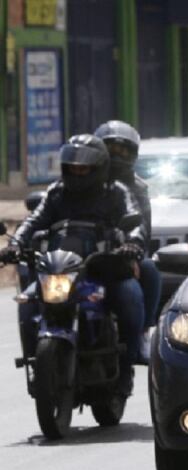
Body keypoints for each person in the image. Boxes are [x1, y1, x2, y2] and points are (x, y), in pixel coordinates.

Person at [0, 135, 146, 395]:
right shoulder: (56, 193)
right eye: (73, 167)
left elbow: (135, 222)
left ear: (99, 168)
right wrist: (15, 245)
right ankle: (37, 364)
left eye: (84, 168)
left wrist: (132, 243)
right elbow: (34, 220)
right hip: (61, 269)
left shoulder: (116, 192)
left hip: (103, 268)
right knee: (27, 302)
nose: (78, 173)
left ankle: (125, 367)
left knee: (130, 296)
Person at [95, 120, 161, 347]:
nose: (116, 156)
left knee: (149, 269)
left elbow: (142, 227)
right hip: (84, 252)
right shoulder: (83, 180)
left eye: (123, 150)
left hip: (121, 254)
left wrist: (132, 250)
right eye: (110, 149)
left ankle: (142, 332)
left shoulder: (137, 189)